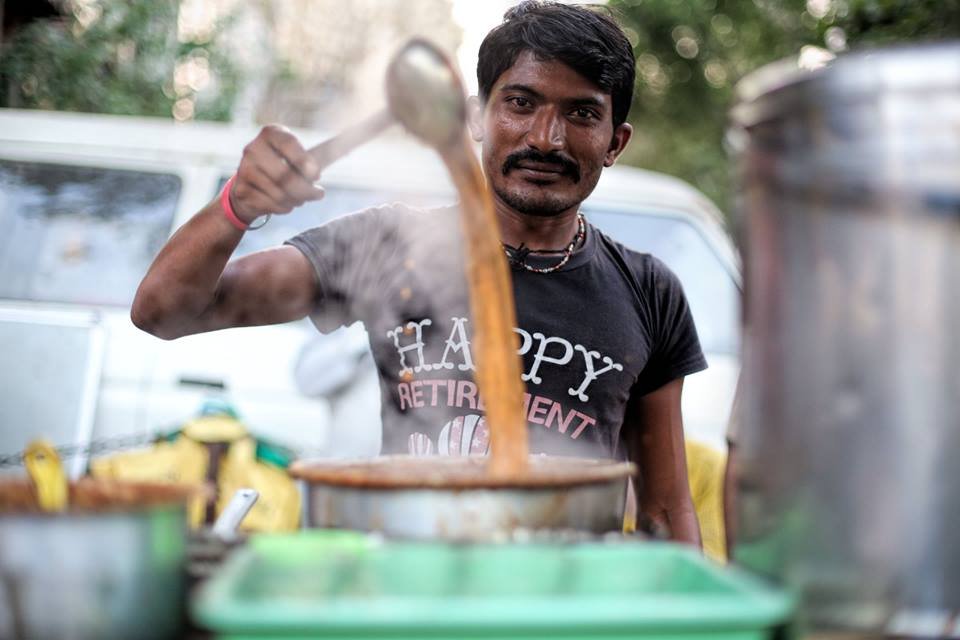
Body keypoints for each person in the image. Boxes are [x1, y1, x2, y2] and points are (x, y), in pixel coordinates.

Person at [132, 1, 706, 545]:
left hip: (564, 600)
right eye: (521, 102)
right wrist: (239, 203)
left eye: (581, 114)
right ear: (479, 116)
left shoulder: (649, 291)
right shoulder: (386, 247)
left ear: (615, 142)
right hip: (412, 582)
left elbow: (663, 507)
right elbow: (164, 312)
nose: (545, 139)